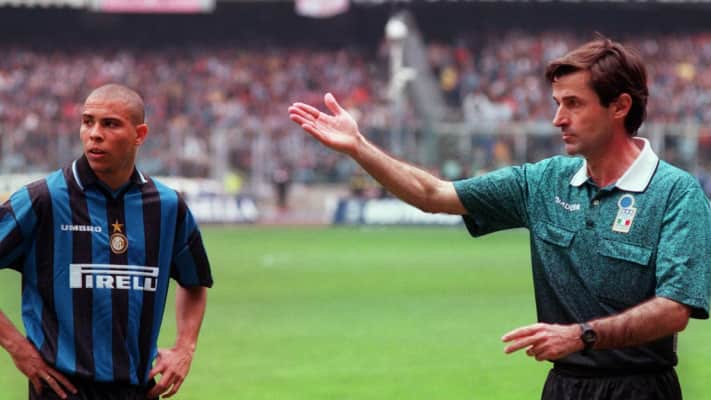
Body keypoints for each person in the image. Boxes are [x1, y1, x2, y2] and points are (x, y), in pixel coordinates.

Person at [288, 37, 711, 399]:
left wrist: (580, 335)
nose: (557, 119)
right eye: (557, 103)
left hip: (642, 389)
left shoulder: (676, 193)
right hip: (563, 386)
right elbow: (433, 195)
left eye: (573, 104)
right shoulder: (542, 182)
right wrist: (359, 146)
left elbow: (674, 309)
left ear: (619, 107)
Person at [0, 84, 213, 400]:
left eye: (110, 124)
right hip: (61, 390)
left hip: (137, 390)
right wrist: (17, 347)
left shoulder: (167, 207)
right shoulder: (43, 199)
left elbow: (194, 281)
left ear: (140, 135)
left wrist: (185, 347)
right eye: (87, 122)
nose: (95, 134)